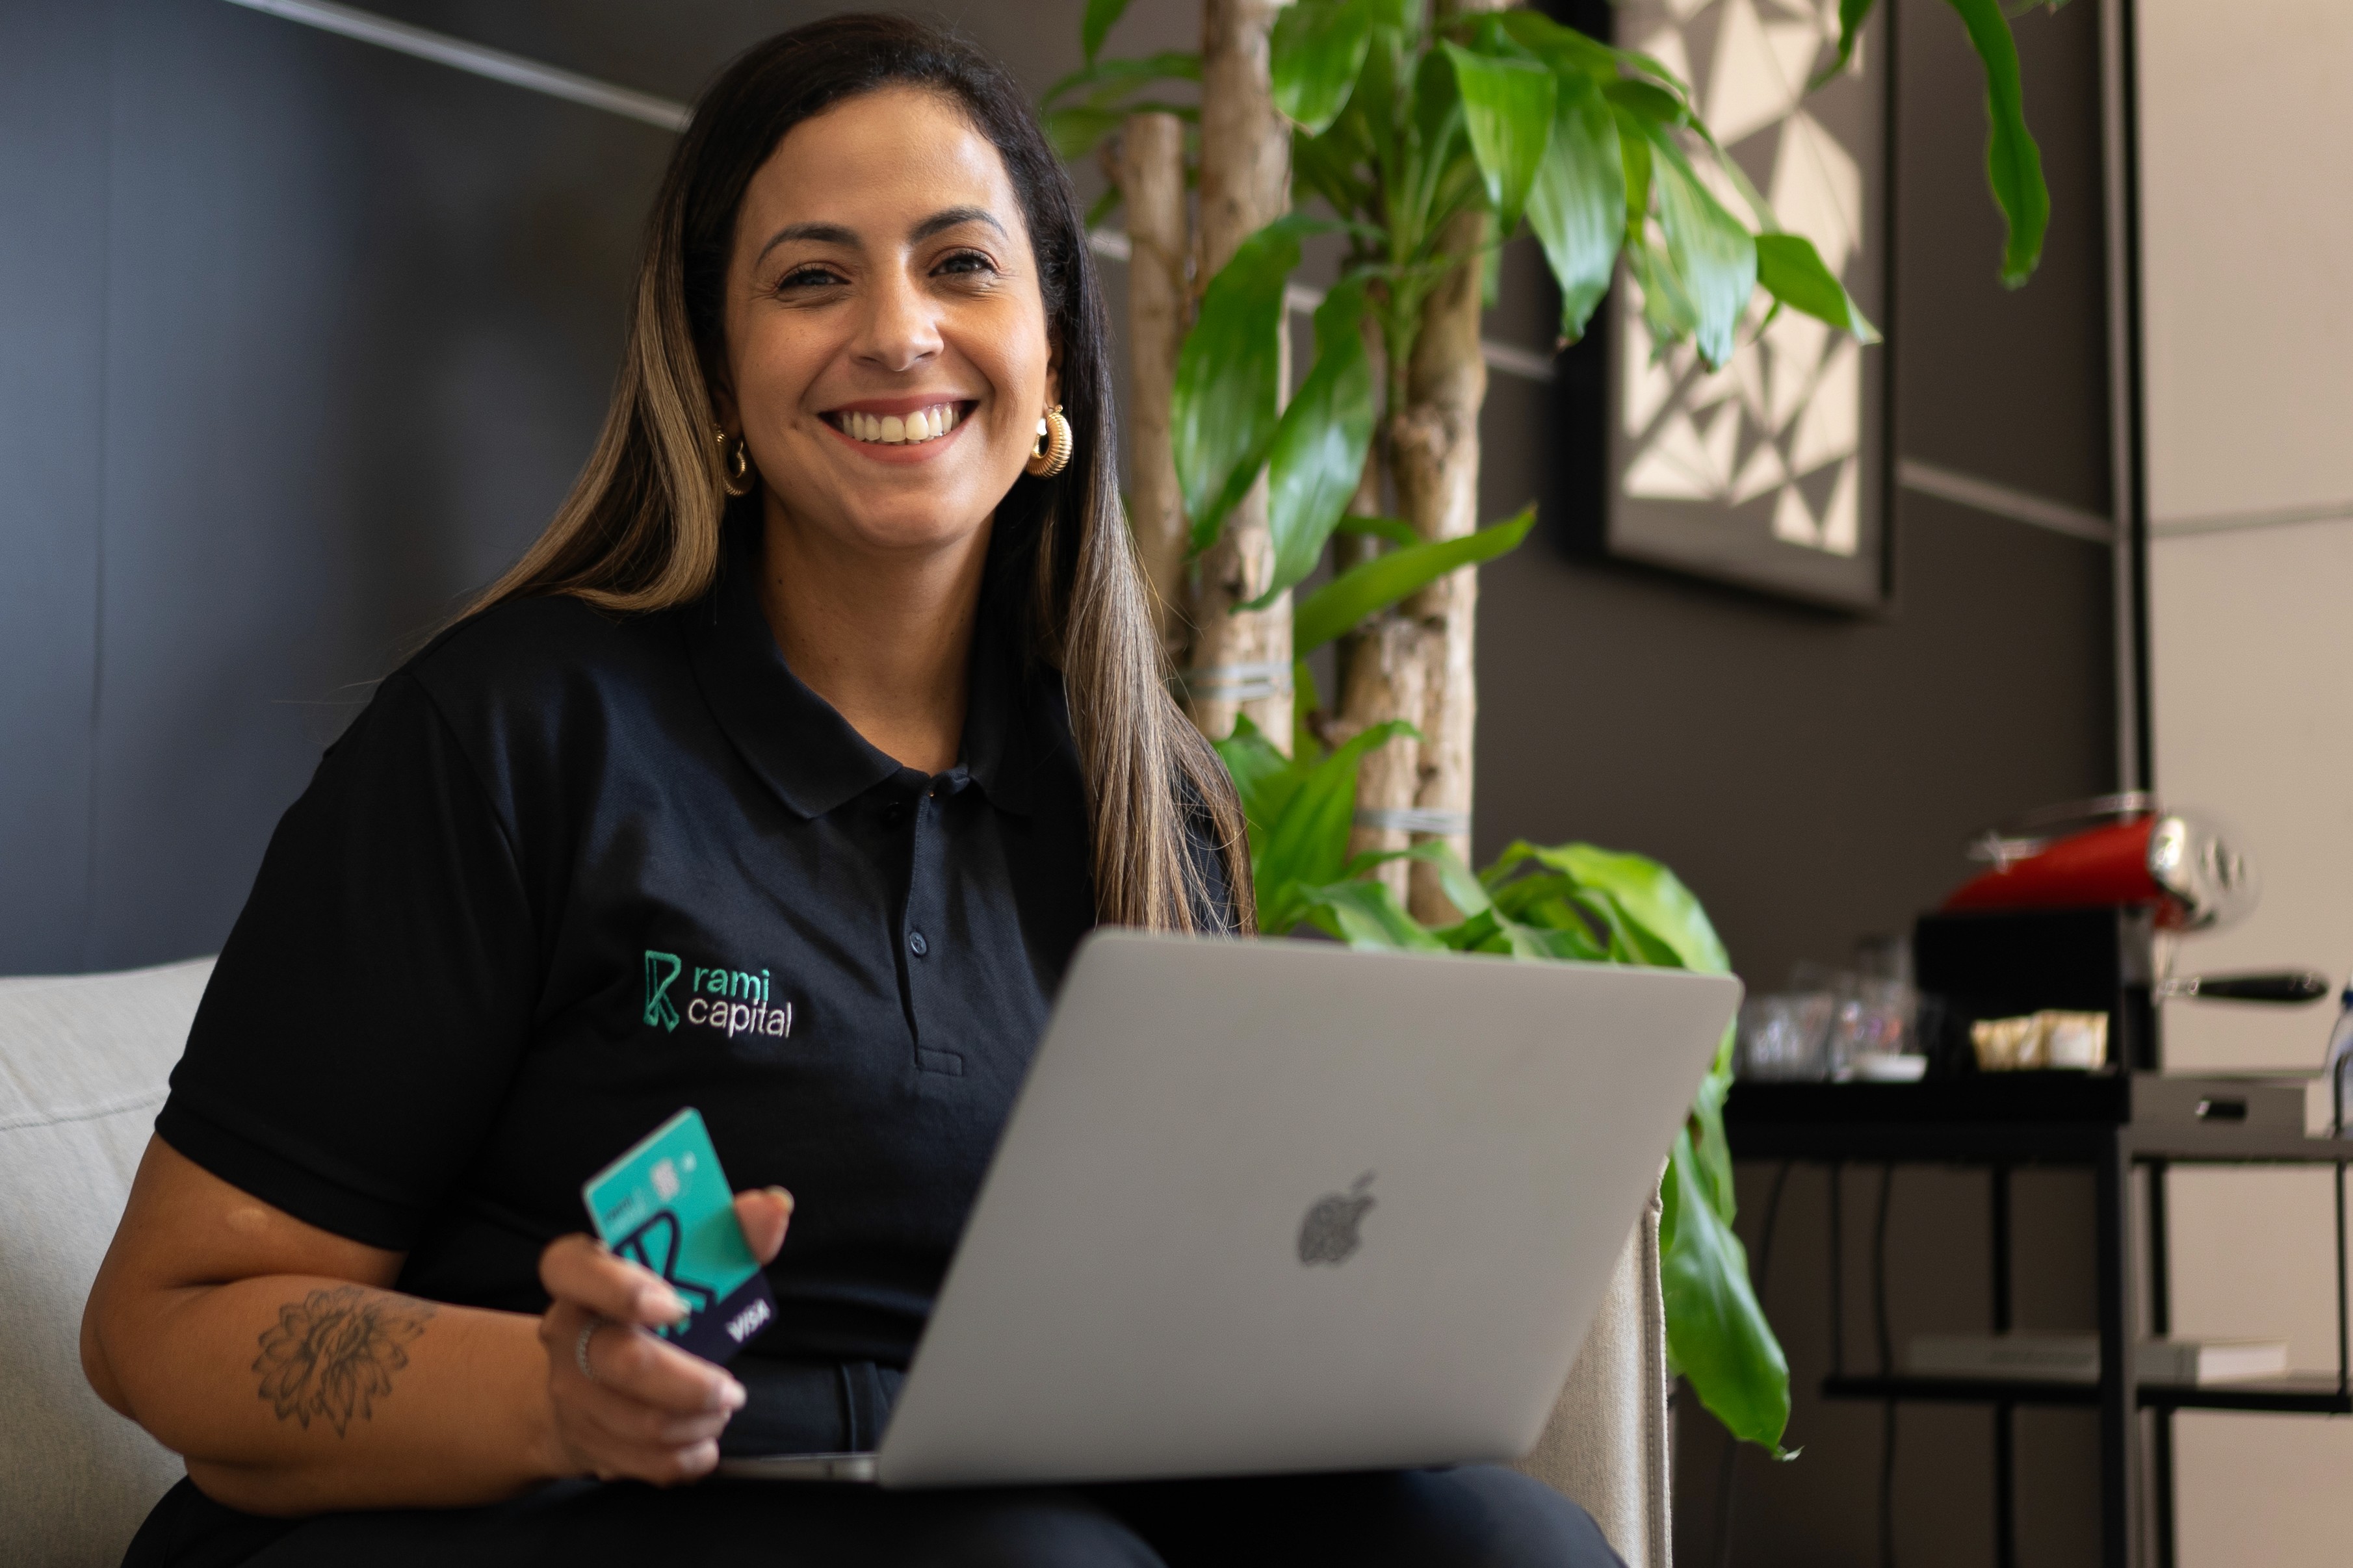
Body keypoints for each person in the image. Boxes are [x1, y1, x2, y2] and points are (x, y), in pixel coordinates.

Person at [81, 16, 1625, 1566]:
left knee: (1507, 1542)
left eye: (960, 265)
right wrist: (553, 1391)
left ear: (1052, 365)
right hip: (565, 1498)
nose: (897, 332)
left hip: (974, 1494)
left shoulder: (1142, 795)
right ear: (715, 372)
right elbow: (166, 1324)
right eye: (813, 277)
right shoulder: (511, 735)